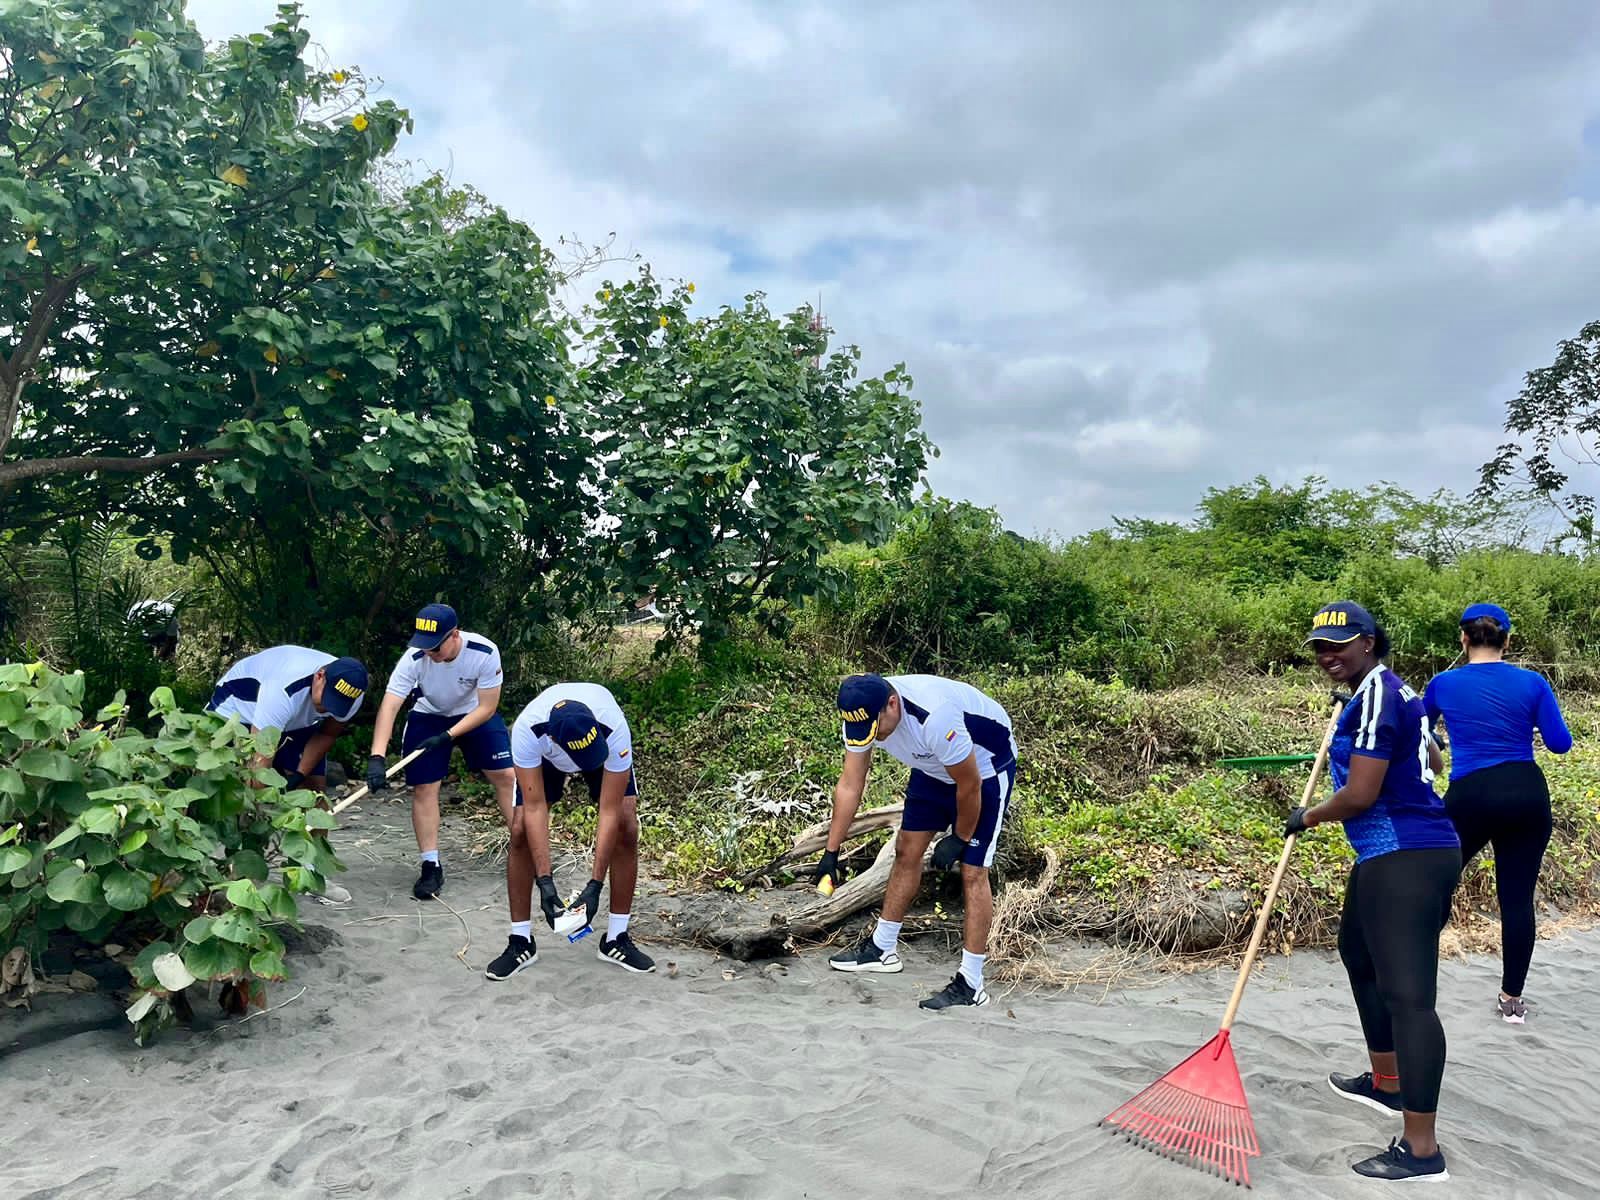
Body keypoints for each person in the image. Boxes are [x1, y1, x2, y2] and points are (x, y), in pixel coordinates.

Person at [1290, 601, 1461, 1183]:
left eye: (1338, 645)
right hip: (1391, 854)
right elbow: (1433, 757)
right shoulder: (1392, 692)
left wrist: (1307, 817)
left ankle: (1421, 1150)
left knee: (1410, 998)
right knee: (1356, 952)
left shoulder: (1377, 697)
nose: (1327, 656)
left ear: (1368, 642)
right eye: (1319, 647)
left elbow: (1360, 796)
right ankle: (1387, 1083)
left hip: (1406, 855)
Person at [820, 673, 1018, 1012]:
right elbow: (851, 783)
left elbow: (969, 784)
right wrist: (831, 851)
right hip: (934, 769)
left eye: (876, 727)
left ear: (892, 704)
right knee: (906, 850)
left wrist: (959, 838)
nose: (875, 736)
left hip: (984, 768)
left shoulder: (935, 716)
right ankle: (882, 949)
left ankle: (972, 984)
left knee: (973, 870)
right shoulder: (861, 714)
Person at [1424, 602, 1572, 1024]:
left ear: (1463, 639)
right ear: (1507, 641)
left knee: (1437, 882)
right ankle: (1512, 1000)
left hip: (1471, 794)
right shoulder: (1533, 682)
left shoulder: (1443, 683)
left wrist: (1439, 737)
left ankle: (1415, 974)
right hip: (1526, 793)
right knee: (1517, 897)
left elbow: (1419, 731)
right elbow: (1561, 744)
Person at [483, 683, 655, 980]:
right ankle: (520, 941)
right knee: (521, 828)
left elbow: (609, 810)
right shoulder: (529, 730)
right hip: (547, 757)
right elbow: (536, 807)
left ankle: (616, 938)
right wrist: (545, 883)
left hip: (605, 751)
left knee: (626, 824)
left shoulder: (613, 728)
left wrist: (594, 886)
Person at [366, 604, 516, 901]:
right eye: (425, 647)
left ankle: (527, 849)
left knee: (506, 775)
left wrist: (448, 736)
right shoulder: (414, 658)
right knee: (424, 787)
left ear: (455, 635)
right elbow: (391, 705)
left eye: (435, 647)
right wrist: (377, 757)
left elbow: (488, 707)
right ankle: (430, 864)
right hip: (428, 715)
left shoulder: (484, 652)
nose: (429, 654)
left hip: (475, 713)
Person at [207, 645, 369, 792]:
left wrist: (300, 774)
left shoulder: (352, 694)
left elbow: (327, 734)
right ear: (320, 676)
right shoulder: (283, 689)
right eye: (328, 699)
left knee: (313, 791)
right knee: (233, 785)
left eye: (336, 704)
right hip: (237, 711)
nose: (328, 709)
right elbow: (260, 760)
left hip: (296, 720)